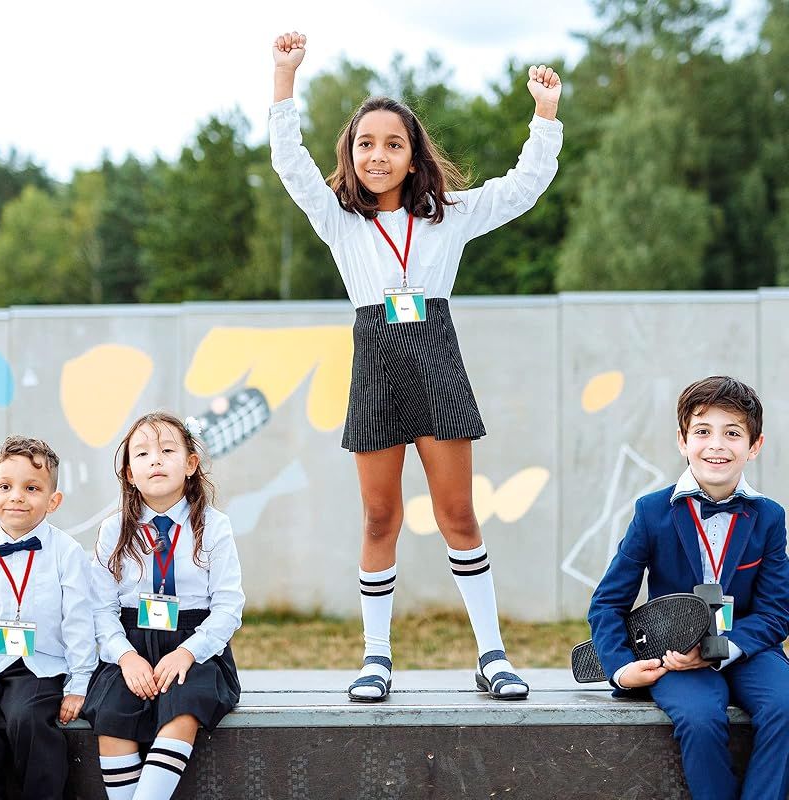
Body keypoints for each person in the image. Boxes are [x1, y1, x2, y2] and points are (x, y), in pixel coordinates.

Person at [271, 31, 563, 702]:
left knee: (458, 514)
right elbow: (288, 161)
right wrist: (284, 77)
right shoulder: (338, 219)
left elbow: (522, 189)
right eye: (365, 144)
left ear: (412, 157)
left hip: (435, 359)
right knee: (380, 518)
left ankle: (492, 655)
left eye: (393, 145)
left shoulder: (448, 217)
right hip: (374, 361)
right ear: (350, 154)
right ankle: (376, 658)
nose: (377, 155)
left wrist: (544, 116)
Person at [589, 376, 789, 800]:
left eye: (732, 433)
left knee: (786, 705)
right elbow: (607, 602)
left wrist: (725, 648)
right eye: (702, 431)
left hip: (747, 648)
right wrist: (622, 669)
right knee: (699, 719)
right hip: (675, 655)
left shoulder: (770, 517)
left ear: (754, 446)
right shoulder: (652, 512)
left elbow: (776, 611)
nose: (716, 445)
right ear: (682, 441)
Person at [83, 412, 244, 800]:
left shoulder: (214, 526)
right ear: (129, 474)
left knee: (184, 705)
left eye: (168, 450)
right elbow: (100, 609)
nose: (155, 459)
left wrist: (188, 652)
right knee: (112, 713)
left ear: (191, 464)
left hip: (194, 646)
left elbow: (228, 607)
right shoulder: (113, 530)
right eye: (142, 453)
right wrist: (125, 658)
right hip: (131, 644)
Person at [0, 436, 96, 800]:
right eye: (5, 487)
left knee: (28, 719)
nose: (16, 497)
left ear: (53, 501)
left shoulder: (66, 553)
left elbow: (79, 621)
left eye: (31, 488)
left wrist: (80, 682)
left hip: (40, 665)